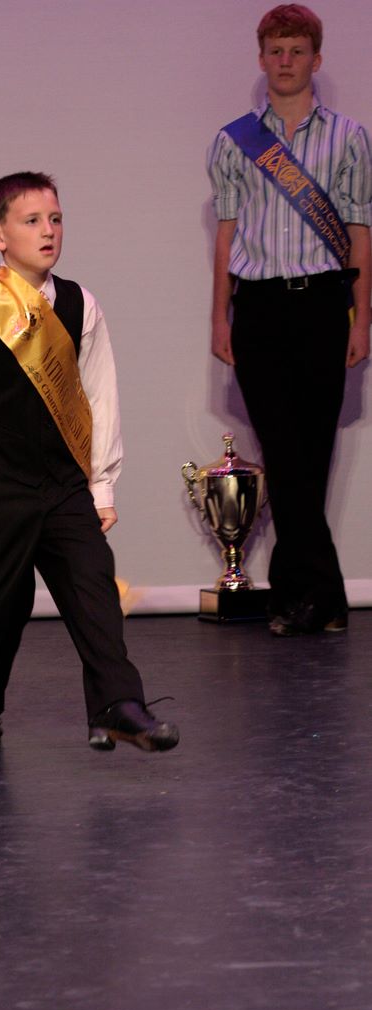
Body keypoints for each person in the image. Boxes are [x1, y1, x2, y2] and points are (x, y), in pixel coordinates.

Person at [0, 171, 179, 753]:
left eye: (55, 219)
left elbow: (100, 397)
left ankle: (117, 705)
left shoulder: (82, 304)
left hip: (62, 482)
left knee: (93, 588)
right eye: (31, 221)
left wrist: (102, 485)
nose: (48, 231)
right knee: (1, 606)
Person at [207, 5, 372, 637]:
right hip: (258, 308)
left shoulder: (349, 138)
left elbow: (360, 233)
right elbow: (226, 236)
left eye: (297, 50)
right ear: (261, 59)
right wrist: (219, 317)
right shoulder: (234, 141)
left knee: (313, 451)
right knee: (282, 451)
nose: (285, 61)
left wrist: (361, 319)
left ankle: (296, 593)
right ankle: (321, 597)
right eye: (275, 50)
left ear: (316, 59)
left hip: (324, 305)